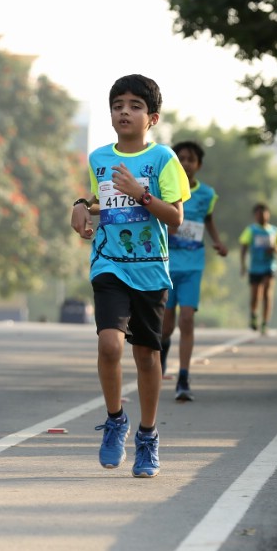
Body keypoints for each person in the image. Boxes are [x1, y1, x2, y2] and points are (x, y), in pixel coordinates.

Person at [70, 74, 189, 478]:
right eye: (118, 104)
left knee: (146, 356)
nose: (125, 111)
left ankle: (148, 435)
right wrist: (82, 208)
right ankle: (115, 419)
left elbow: (175, 219)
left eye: (135, 105)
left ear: (152, 117)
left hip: (150, 268)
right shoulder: (99, 158)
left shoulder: (164, 160)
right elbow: (100, 202)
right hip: (108, 263)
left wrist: (141, 192)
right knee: (109, 346)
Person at [161, 140, 228, 401]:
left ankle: (184, 377)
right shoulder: (166, 189)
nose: (186, 163)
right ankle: (163, 348)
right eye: (182, 158)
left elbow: (208, 220)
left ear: (198, 165)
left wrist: (217, 241)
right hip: (166, 263)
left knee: (187, 319)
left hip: (192, 263)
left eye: (191, 159)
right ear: (174, 163)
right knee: (166, 326)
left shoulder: (207, 195)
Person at [238, 203, 277, 334]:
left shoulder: (274, 231)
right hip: (255, 267)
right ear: (255, 216)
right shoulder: (251, 230)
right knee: (255, 295)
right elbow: (243, 246)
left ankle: (265, 322)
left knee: (267, 293)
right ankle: (254, 315)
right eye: (258, 213)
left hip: (269, 266)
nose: (262, 216)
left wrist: (275, 248)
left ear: (268, 214)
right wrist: (243, 265)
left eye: (264, 213)